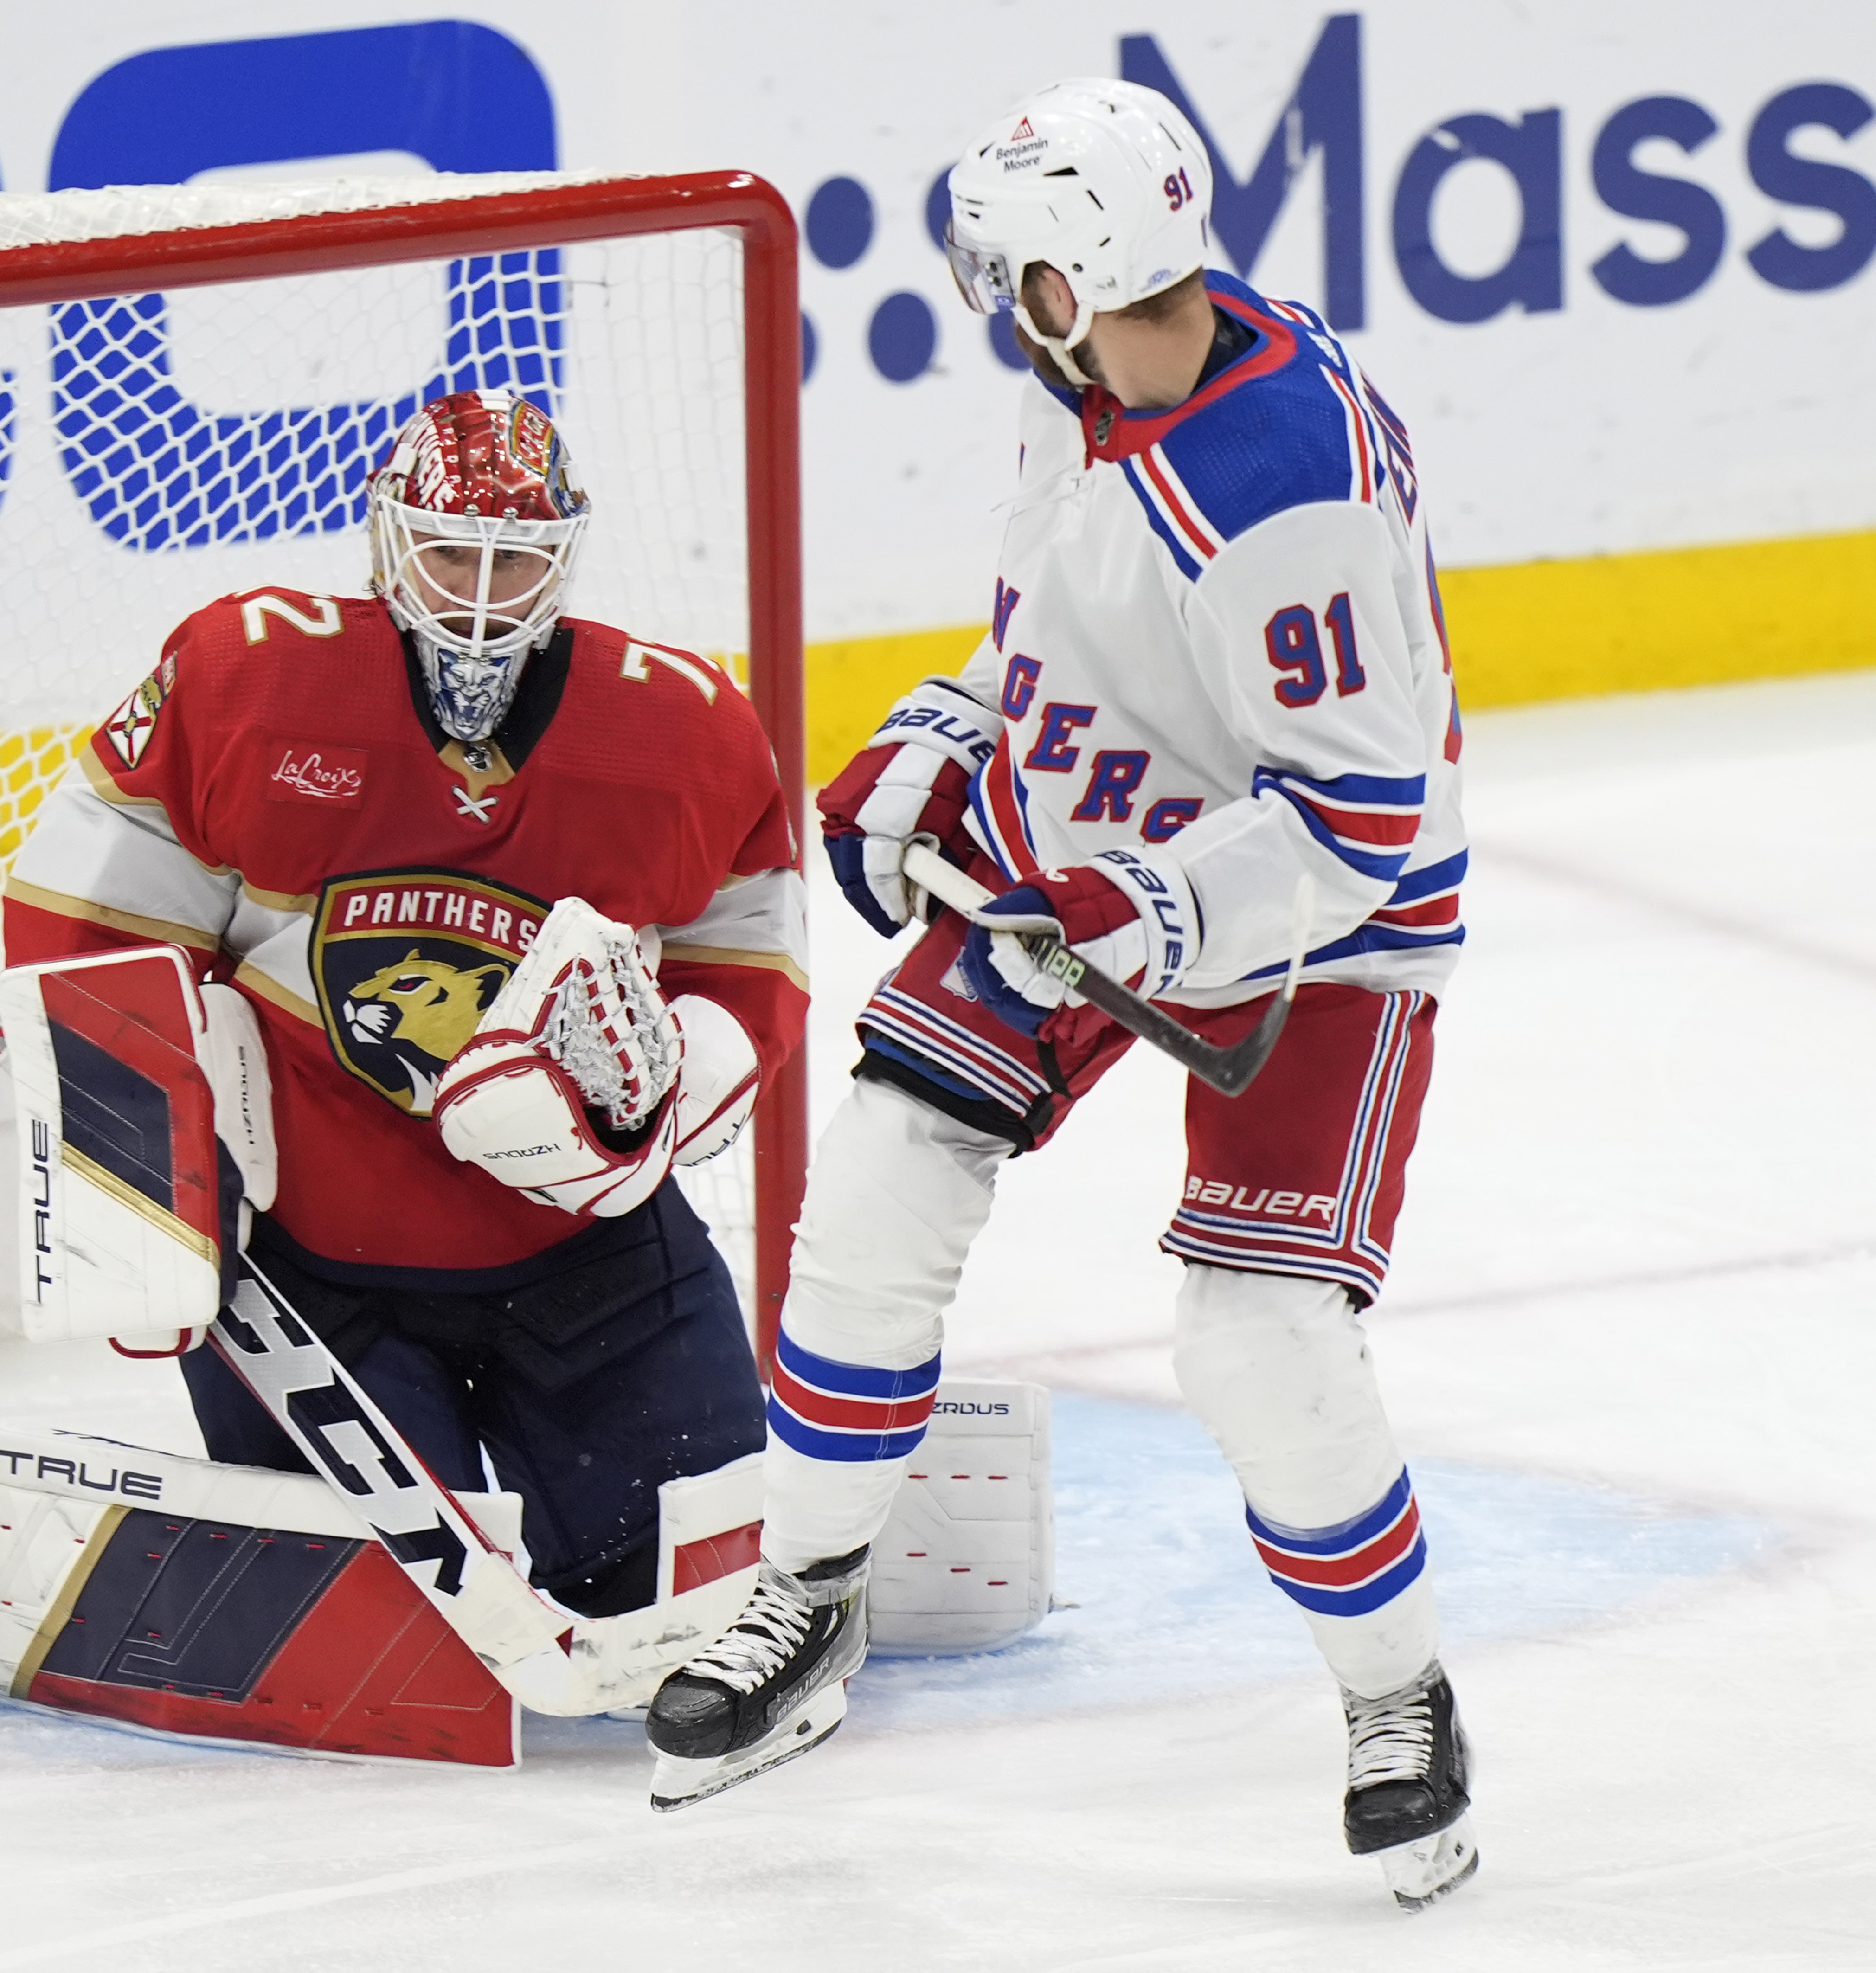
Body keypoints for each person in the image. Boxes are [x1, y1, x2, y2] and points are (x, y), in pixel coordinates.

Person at [646, 80, 1480, 1908]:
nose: (991, 302)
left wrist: (1146, 904)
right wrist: (950, 735)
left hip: (1313, 928)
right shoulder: (1101, 373)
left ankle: (1395, 1698)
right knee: (873, 1184)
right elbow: (1070, 625)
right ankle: (804, 1587)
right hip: (1099, 858)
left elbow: (1358, 818)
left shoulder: (1286, 493)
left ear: (1083, 265)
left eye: (1015, 268)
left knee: (1256, 1342)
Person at [2, 389, 803, 1624]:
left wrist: (660, 1095)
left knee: (682, 1603)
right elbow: (87, 920)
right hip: (311, 1274)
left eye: (518, 558)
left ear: (566, 556)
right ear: (385, 538)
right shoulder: (250, 679)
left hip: (584, 1257)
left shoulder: (675, 732)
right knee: (388, 1636)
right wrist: (141, 1200)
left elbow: (750, 952)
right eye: (447, 548)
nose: (481, 586)